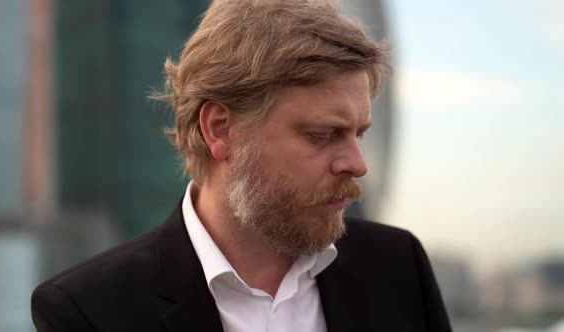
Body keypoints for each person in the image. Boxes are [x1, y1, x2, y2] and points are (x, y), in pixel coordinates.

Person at [31, 0, 452, 331]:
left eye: (358, 134)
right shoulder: (90, 310)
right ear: (220, 129)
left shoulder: (398, 266)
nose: (357, 165)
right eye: (322, 135)